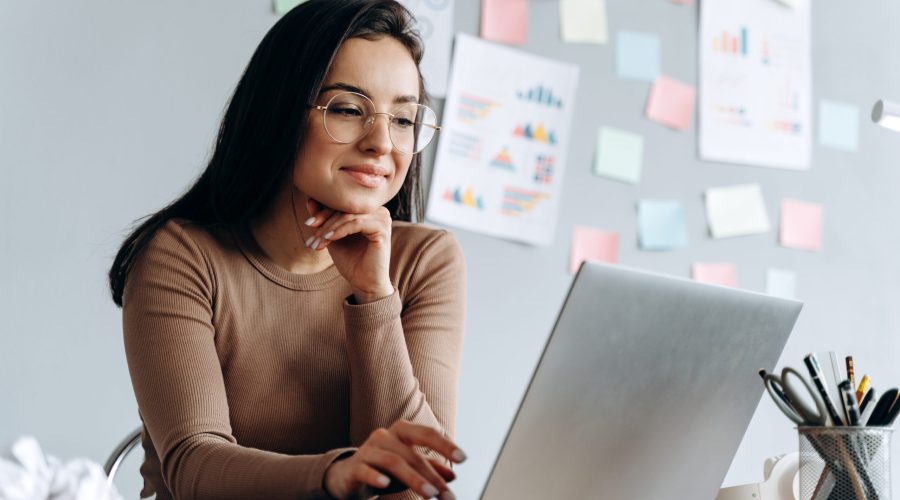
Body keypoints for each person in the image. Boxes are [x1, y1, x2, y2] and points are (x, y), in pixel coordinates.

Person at [107, 1, 467, 498]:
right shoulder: (182, 256)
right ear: (279, 113)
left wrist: (374, 297)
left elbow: (419, 487)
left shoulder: (425, 262)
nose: (382, 142)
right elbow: (194, 466)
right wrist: (333, 475)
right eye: (347, 109)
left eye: (404, 120)